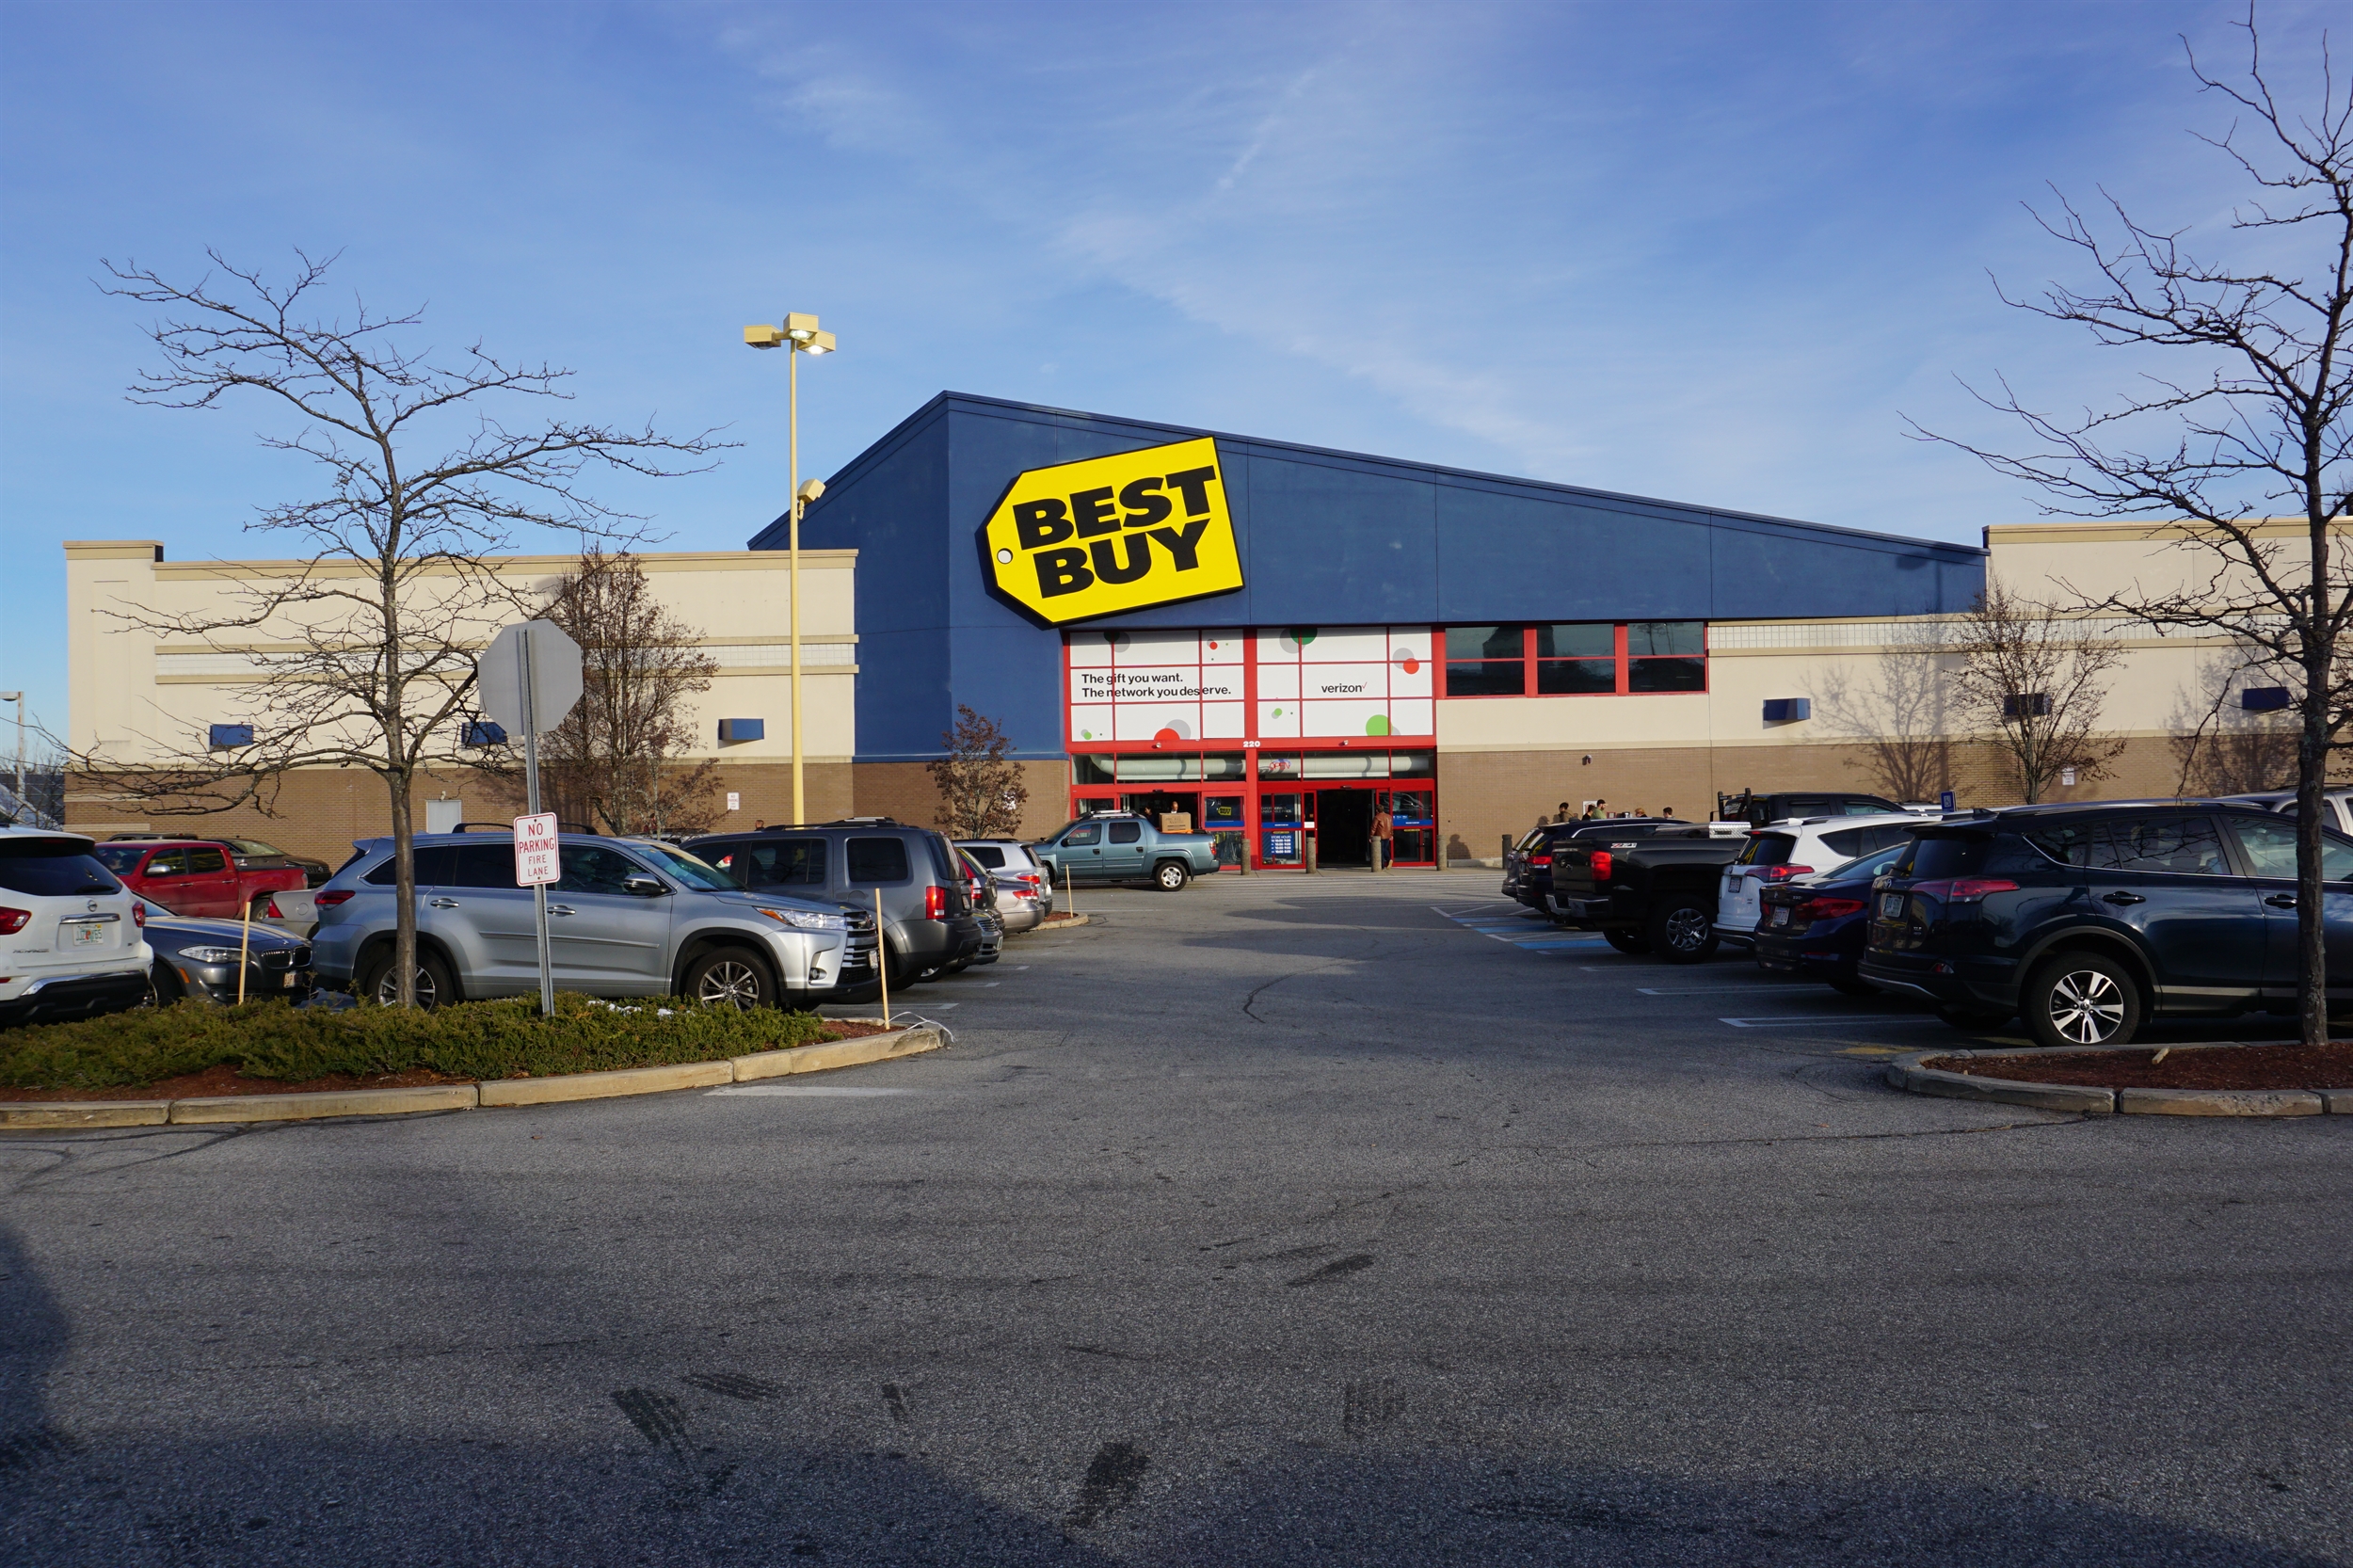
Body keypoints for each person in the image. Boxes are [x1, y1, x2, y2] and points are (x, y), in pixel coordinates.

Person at [1372, 803, 1394, 871]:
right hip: (1387, 835)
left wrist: (1371, 836)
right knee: (1384, 849)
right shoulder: (1389, 817)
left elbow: (1374, 827)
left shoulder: (1377, 817)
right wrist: (1391, 834)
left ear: (1377, 810)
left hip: (1380, 836)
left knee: (1380, 851)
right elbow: (1391, 826)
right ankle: (1388, 860)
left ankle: (1383, 865)